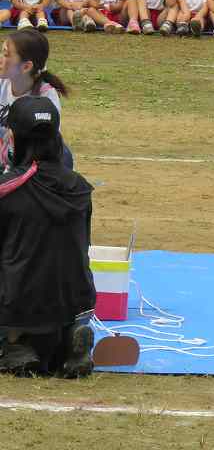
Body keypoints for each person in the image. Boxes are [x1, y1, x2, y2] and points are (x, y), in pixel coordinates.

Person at [0, 94, 94, 377]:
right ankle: (69, 340)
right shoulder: (80, 187)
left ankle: (14, 344)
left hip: (20, 305)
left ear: (13, 138)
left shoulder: (8, 190)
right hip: (75, 301)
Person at [0, 30, 70, 169]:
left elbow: (46, 144)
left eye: (6, 55)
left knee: (65, 155)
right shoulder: (2, 83)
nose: (0, 59)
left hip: (29, 161)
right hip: (6, 155)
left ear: (26, 67)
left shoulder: (46, 97)